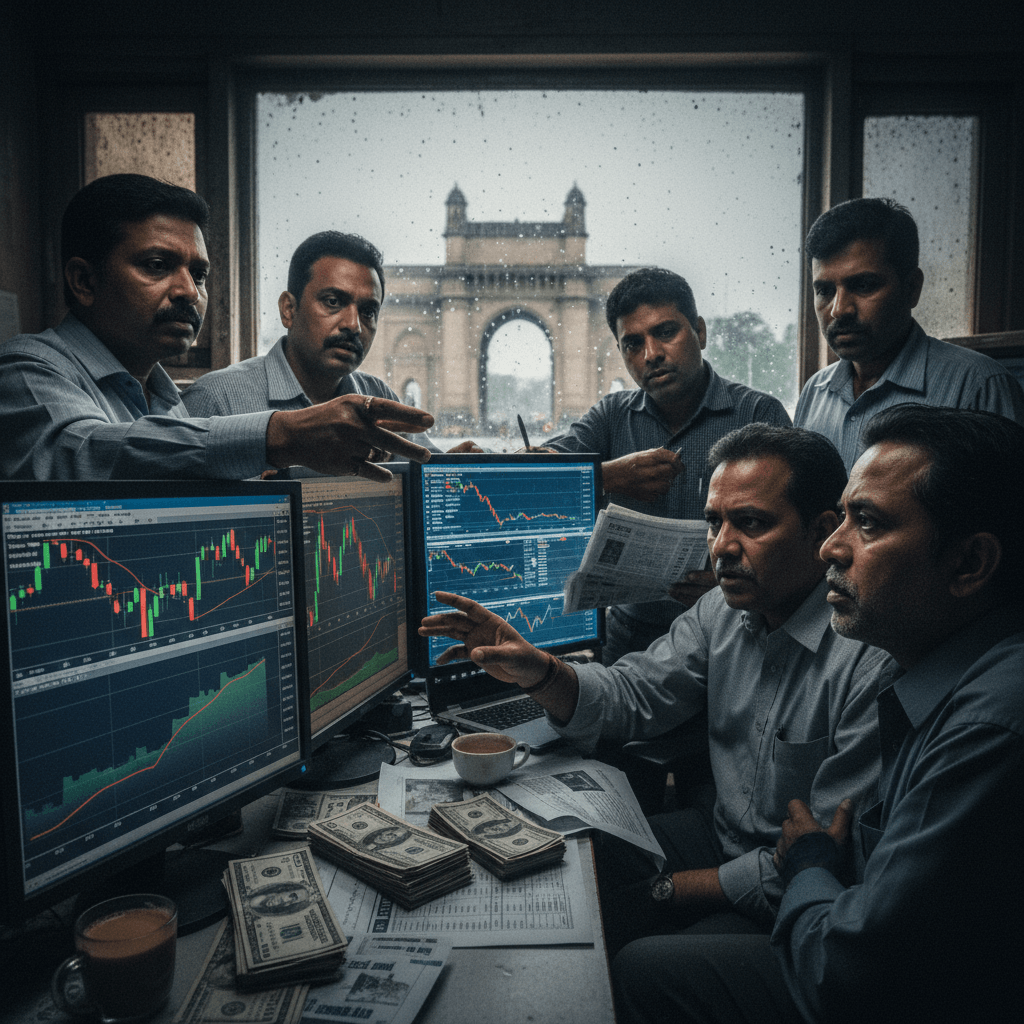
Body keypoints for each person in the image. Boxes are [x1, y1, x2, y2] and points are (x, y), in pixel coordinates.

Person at [611, 406, 1024, 1024]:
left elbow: (846, 972)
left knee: (641, 967)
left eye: (867, 523)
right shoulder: (928, 669)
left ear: (969, 565)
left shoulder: (986, 728)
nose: (830, 547)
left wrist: (807, 863)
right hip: (801, 890)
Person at [419, 424, 896, 958]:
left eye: (752, 524)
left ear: (823, 532)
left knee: (641, 962)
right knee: (569, 852)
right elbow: (632, 694)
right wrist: (540, 671)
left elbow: (827, 862)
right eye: (714, 523)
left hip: (796, 890)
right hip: (722, 837)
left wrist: (667, 892)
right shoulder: (721, 611)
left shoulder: (868, 659)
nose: (723, 547)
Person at [0, 174, 434, 480]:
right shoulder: (28, 370)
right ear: (84, 281)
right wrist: (279, 435)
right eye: (157, 266)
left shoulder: (166, 398)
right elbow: (81, 454)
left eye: (200, 274)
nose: (190, 291)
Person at [546, 267, 791, 662]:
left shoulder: (757, 414)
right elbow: (529, 478)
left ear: (701, 332)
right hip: (629, 646)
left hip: (733, 641)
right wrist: (608, 476)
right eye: (632, 344)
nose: (651, 355)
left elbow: (798, 544)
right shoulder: (611, 417)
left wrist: (735, 584)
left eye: (665, 332)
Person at [182, 230, 480, 454]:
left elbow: (428, 471)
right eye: (333, 302)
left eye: (368, 312)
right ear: (289, 309)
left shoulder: (378, 395)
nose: (353, 325)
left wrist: (447, 473)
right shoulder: (215, 400)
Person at [794, 197, 1024, 470]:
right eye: (824, 291)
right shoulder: (815, 392)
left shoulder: (979, 387)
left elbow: (1005, 510)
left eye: (864, 285)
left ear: (912, 288)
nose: (838, 309)